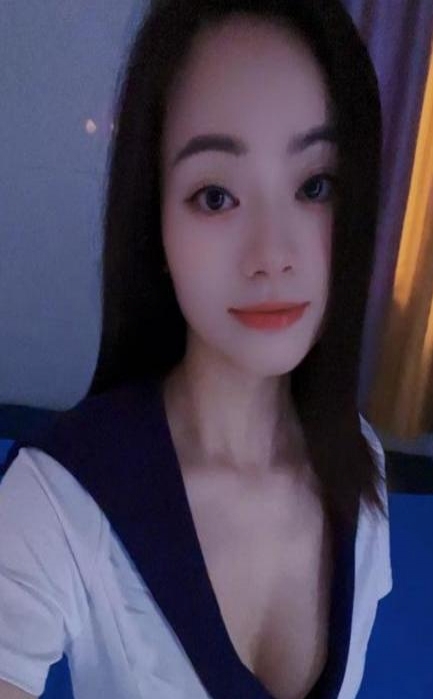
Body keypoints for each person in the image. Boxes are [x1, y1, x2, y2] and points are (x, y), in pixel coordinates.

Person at [0, 1, 393, 698]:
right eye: (215, 196)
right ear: (155, 219)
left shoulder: (360, 465)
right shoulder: (58, 497)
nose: (272, 254)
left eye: (314, 186)